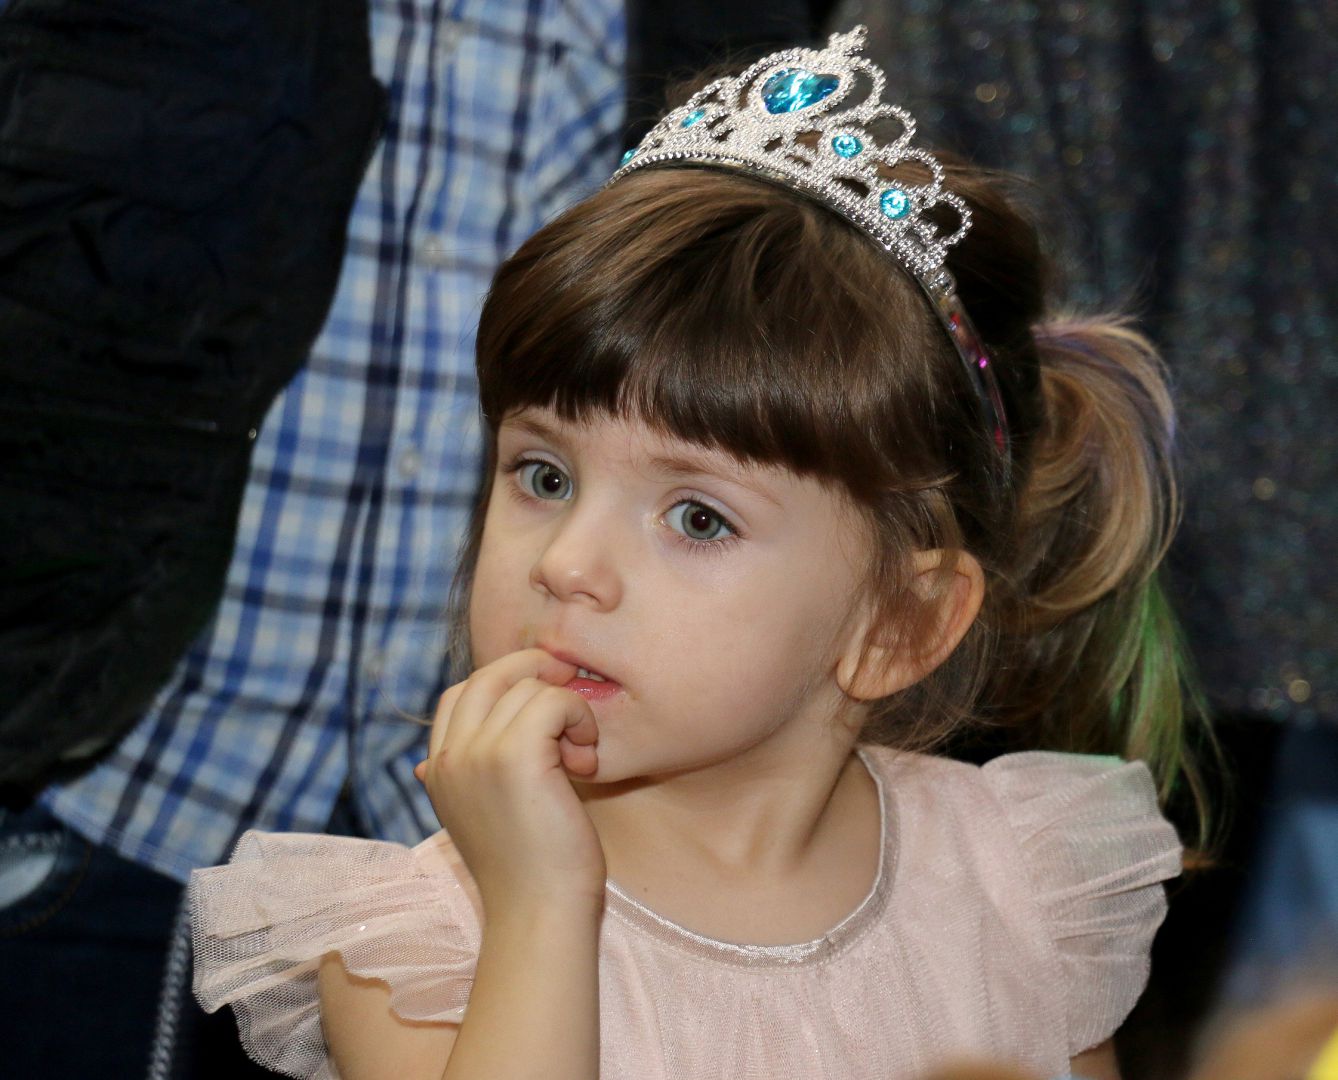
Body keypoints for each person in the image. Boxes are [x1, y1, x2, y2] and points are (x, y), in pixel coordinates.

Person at [189, 27, 1198, 1079]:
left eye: (699, 519)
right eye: (544, 476)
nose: (567, 564)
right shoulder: (421, 949)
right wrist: (539, 906)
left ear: (899, 623)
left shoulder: (1023, 891)